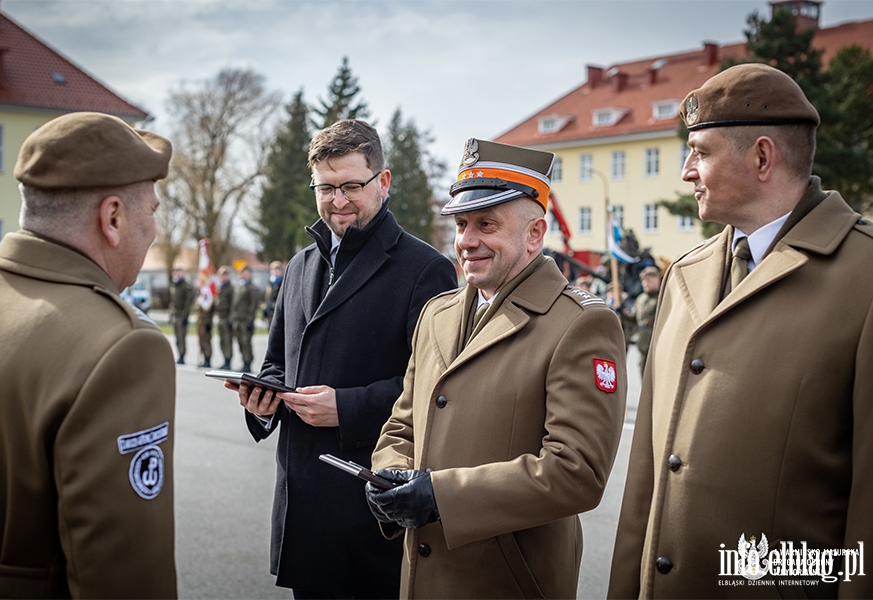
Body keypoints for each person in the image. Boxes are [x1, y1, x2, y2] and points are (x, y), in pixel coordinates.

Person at [609, 63, 873, 599]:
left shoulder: (865, 276)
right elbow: (646, 479)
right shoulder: (686, 273)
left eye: (700, 153)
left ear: (761, 157)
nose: (685, 171)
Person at [366, 138, 627, 598]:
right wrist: (388, 476)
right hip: (422, 577)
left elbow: (576, 472)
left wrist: (440, 497)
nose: (466, 241)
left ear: (534, 234)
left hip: (508, 581)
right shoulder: (437, 315)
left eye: (486, 223)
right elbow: (402, 424)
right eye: (462, 224)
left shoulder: (580, 323)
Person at [231, 119, 457, 598]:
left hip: (369, 512)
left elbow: (442, 391)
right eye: (326, 187)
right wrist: (262, 399)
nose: (338, 201)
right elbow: (277, 362)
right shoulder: (299, 265)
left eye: (352, 185)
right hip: (302, 505)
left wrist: (347, 406)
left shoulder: (426, 270)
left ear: (384, 181)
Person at [0, 112, 177, 598]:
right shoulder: (122, 347)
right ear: (112, 218)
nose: (152, 232)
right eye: (150, 212)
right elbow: (122, 575)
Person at [632, 265, 660, 373]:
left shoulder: (663, 297)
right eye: (644, 281)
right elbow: (633, 318)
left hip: (657, 349)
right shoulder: (641, 299)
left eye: (648, 281)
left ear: (657, 279)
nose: (645, 283)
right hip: (643, 348)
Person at [231, 265, 258, 372]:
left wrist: (250, 320)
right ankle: (244, 361)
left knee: (246, 342)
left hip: (246, 320)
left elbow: (253, 305)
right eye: (241, 272)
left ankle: (248, 363)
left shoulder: (252, 288)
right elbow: (234, 304)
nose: (242, 274)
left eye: (245, 272)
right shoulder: (239, 287)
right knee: (240, 342)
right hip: (237, 319)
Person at [169, 267, 192, 364]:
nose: (177, 275)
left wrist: (185, 316)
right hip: (175, 314)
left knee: (182, 337)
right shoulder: (174, 285)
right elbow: (172, 302)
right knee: (177, 337)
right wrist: (170, 314)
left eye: (179, 273)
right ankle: (179, 353)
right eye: (175, 273)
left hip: (181, 315)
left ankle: (182, 355)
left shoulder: (186, 286)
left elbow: (188, 302)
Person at [216, 266, 235, 369]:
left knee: (228, 341)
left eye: (225, 274)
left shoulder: (231, 289)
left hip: (227, 317)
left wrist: (231, 318)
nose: (223, 277)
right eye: (221, 275)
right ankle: (224, 359)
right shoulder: (219, 288)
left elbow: (233, 305)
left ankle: (228, 360)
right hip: (220, 317)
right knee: (222, 340)